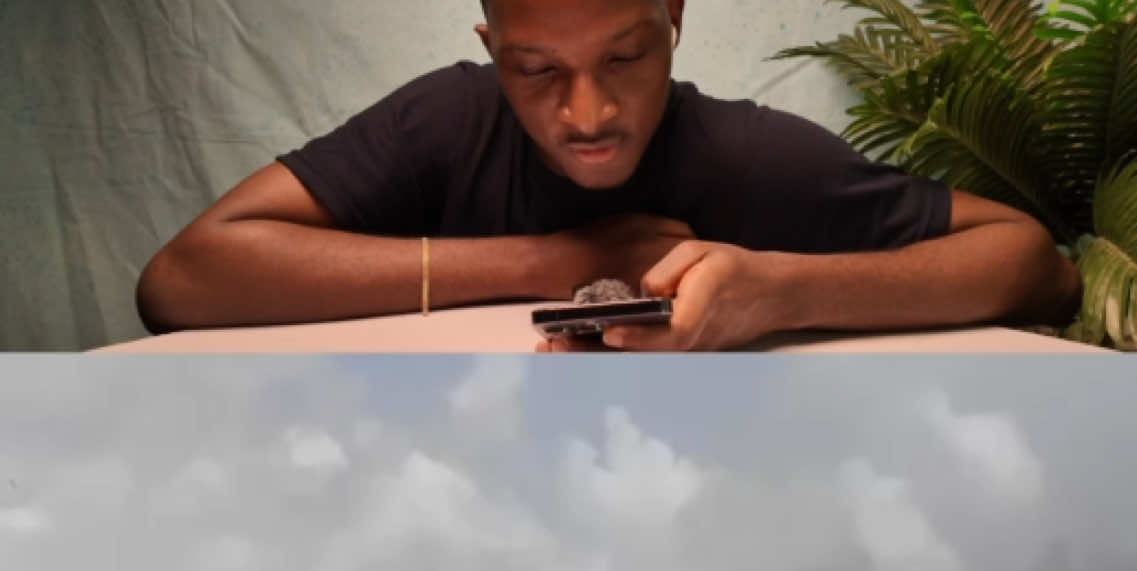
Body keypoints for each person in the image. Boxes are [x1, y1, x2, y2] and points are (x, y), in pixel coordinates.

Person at [135, 0, 1080, 350]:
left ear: (674, 20)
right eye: (537, 70)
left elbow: (1036, 263)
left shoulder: (744, 157)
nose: (586, 114)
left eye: (625, 58)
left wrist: (780, 290)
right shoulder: (446, 119)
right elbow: (181, 280)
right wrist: (556, 259)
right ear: (490, 45)